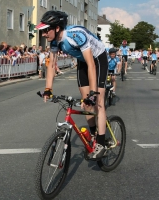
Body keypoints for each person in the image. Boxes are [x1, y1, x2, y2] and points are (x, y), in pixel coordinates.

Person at [36, 11, 108, 160]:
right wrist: (48, 89)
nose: (43, 34)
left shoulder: (75, 35)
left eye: (45, 30)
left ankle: (101, 143)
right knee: (85, 103)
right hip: (83, 60)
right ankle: (94, 134)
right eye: (42, 31)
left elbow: (91, 65)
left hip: (97, 59)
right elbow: (51, 65)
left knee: (97, 102)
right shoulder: (54, 41)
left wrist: (93, 93)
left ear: (57, 28)